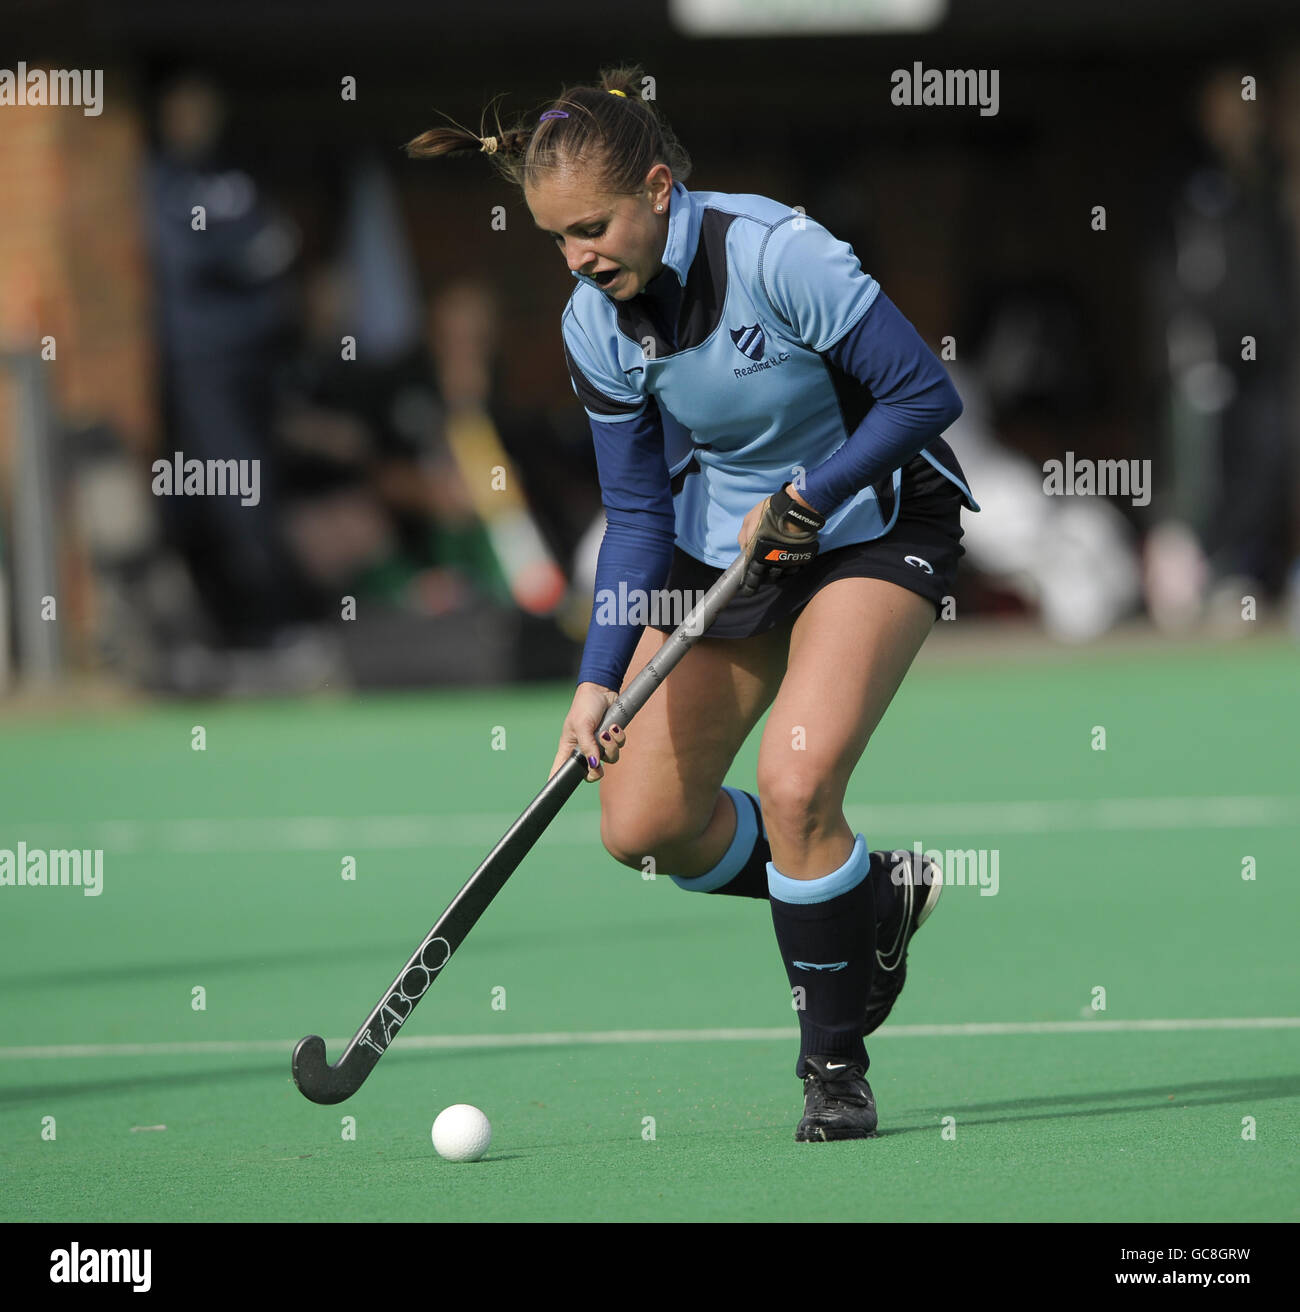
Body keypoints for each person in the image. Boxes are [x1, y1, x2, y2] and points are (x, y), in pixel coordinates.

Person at [406, 65, 978, 1141]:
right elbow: (633, 513)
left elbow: (922, 395)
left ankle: (833, 1069)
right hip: (730, 554)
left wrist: (810, 494)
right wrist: (592, 679)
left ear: (659, 188)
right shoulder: (596, 324)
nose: (577, 259)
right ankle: (871, 898)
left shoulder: (777, 255)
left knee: (797, 779)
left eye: (591, 228)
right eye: (555, 240)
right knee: (645, 823)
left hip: (873, 525)